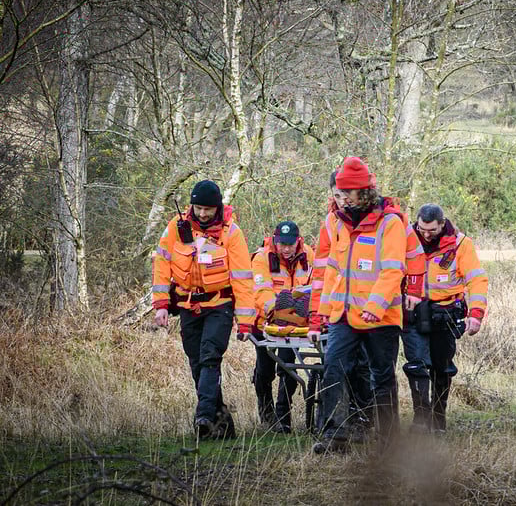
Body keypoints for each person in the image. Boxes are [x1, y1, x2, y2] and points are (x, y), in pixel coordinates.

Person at [309, 170, 424, 440]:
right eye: (339, 193)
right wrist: (319, 316)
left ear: (364, 191)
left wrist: (375, 305)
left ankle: (388, 441)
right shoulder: (334, 222)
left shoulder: (390, 222)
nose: (343, 199)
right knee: (333, 371)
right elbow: (329, 273)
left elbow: (393, 270)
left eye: (348, 193)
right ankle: (333, 437)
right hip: (343, 316)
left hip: (380, 317)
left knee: (381, 378)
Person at [152, 180, 257, 439]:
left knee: (210, 356)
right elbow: (162, 266)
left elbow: (243, 278)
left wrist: (244, 319)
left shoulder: (232, 233)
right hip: (188, 305)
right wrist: (161, 305)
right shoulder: (176, 228)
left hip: (220, 305)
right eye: (198, 208)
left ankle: (204, 416)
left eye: (208, 209)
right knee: (196, 361)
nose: (202, 214)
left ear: (218, 207)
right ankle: (221, 425)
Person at [402, 203, 488, 433]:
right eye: (422, 229)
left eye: (432, 230)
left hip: (446, 314)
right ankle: (421, 419)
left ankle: (438, 419)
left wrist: (476, 314)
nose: (426, 234)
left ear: (442, 224)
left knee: (442, 369)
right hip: (414, 313)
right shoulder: (406, 240)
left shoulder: (461, 245)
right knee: (417, 365)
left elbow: (477, 280)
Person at [250, 220, 315, 433]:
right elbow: (261, 291)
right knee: (265, 369)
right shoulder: (261, 258)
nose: (286, 249)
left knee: (288, 367)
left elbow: (314, 286)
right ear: (275, 241)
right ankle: (266, 413)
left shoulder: (309, 256)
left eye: (290, 244)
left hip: (293, 326)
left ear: (298, 241)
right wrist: (276, 312)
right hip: (264, 323)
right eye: (282, 244)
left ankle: (283, 416)